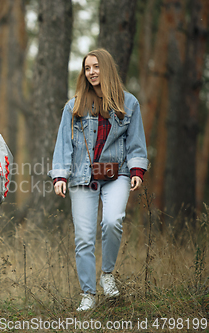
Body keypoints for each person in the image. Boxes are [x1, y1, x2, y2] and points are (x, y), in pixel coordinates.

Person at [49, 49, 149, 311]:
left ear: (106, 68)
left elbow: (136, 144)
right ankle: (88, 294)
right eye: (87, 68)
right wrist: (60, 175)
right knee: (83, 237)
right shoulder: (74, 106)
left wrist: (137, 171)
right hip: (82, 176)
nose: (91, 72)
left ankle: (107, 275)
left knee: (113, 219)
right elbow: (63, 144)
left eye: (96, 66)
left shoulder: (129, 104)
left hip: (117, 174)